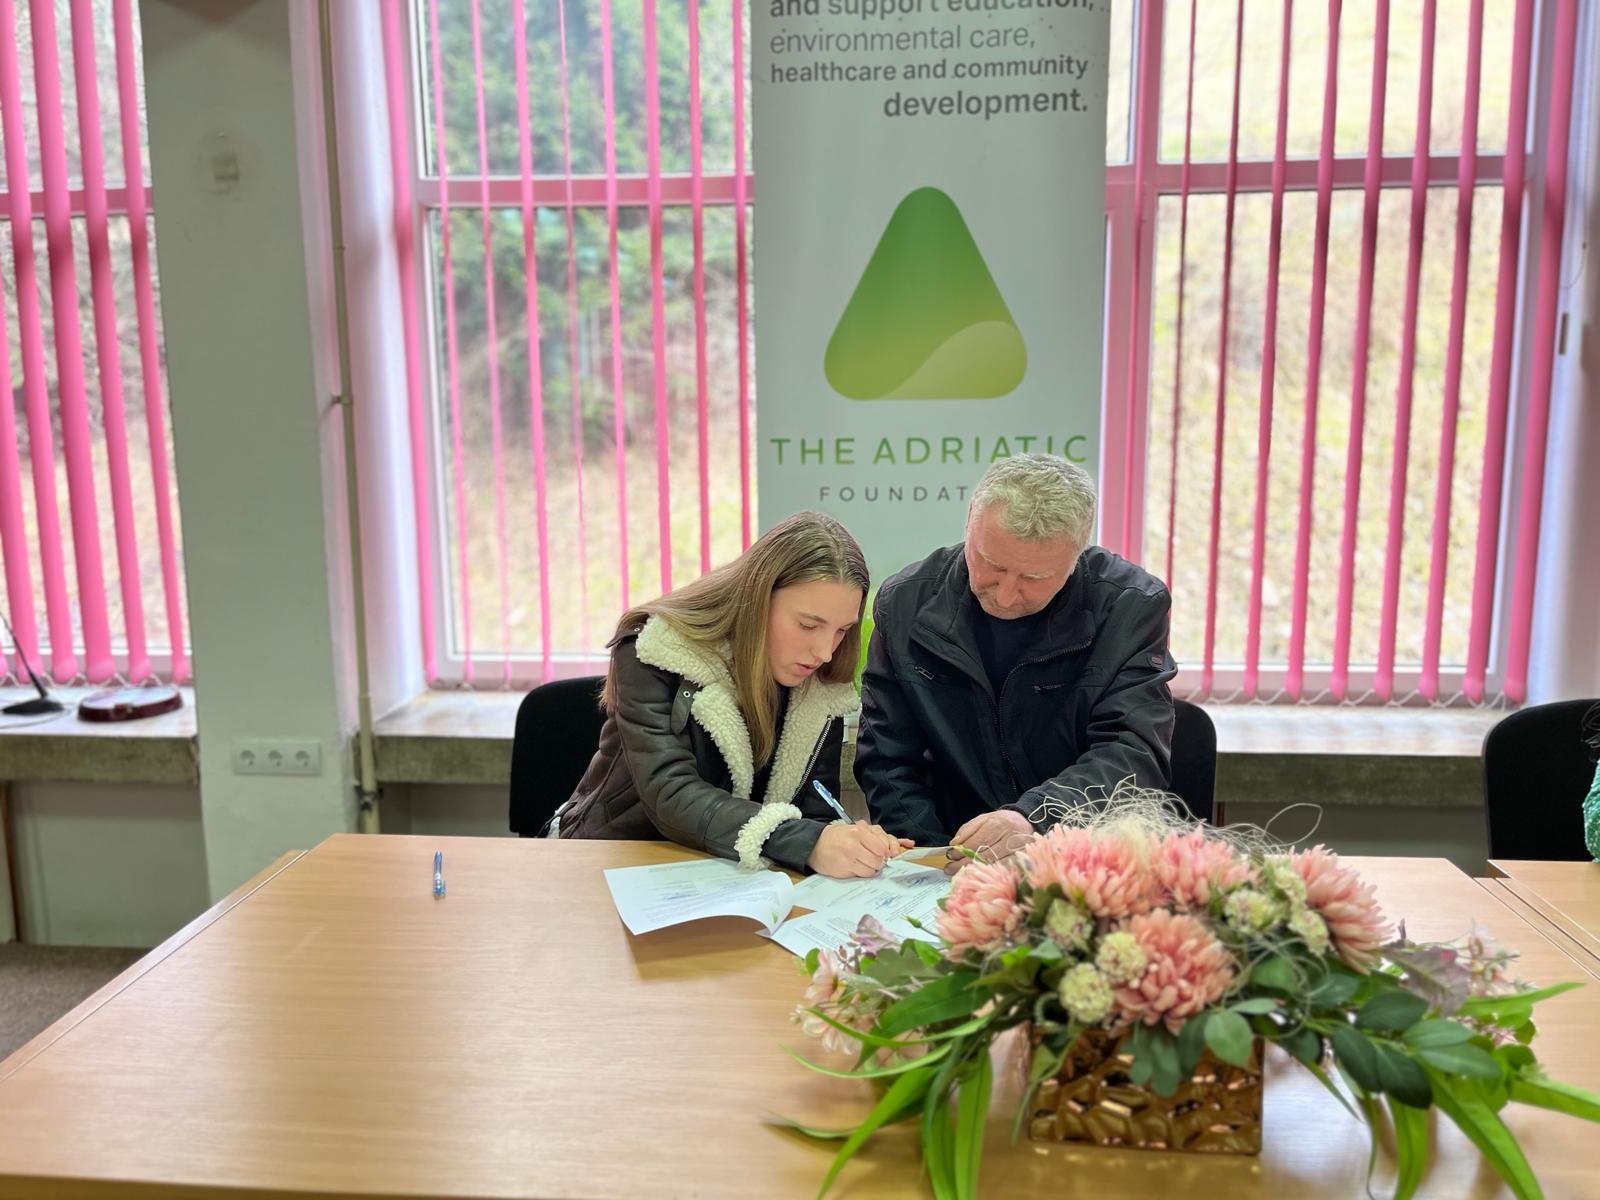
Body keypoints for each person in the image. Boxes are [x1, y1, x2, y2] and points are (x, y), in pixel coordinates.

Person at [855, 454, 1176, 870]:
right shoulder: (905, 603)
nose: (1005, 595)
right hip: (948, 852)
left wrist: (1037, 817)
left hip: (1077, 857)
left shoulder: (1130, 607)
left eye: (1034, 578)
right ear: (970, 519)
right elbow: (887, 758)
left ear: (1077, 554)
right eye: (991, 564)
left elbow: (1132, 751)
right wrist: (934, 859)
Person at [553, 510, 912, 878]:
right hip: (614, 862)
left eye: (841, 631)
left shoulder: (821, 681)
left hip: (729, 878)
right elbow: (671, 794)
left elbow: (815, 809)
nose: (825, 652)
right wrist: (806, 840)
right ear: (757, 598)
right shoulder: (654, 650)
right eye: (808, 625)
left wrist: (846, 843)